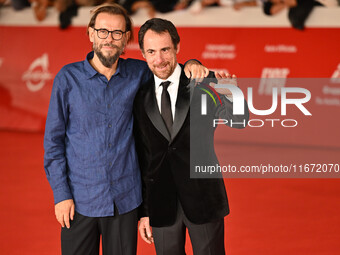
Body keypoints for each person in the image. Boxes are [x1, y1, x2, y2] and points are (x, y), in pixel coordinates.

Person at [43, 3, 207, 255]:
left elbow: (166, 67)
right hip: (80, 201)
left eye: (117, 33)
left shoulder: (139, 73)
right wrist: (61, 195)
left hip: (125, 202)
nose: (110, 39)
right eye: (103, 31)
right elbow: (53, 145)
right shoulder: (67, 79)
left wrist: (193, 63)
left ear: (127, 38)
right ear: (90, 33)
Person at [134, 18, 249, 255]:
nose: (159, 59)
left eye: (165, 49)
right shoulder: (139, 95)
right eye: (151, 51)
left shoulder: (204, 81)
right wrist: (144, 212)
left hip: (203, 197)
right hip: (161, 205)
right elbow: (144, 157)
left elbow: (240, 122)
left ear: (177, 46)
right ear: (143, 54)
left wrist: (233, 94)